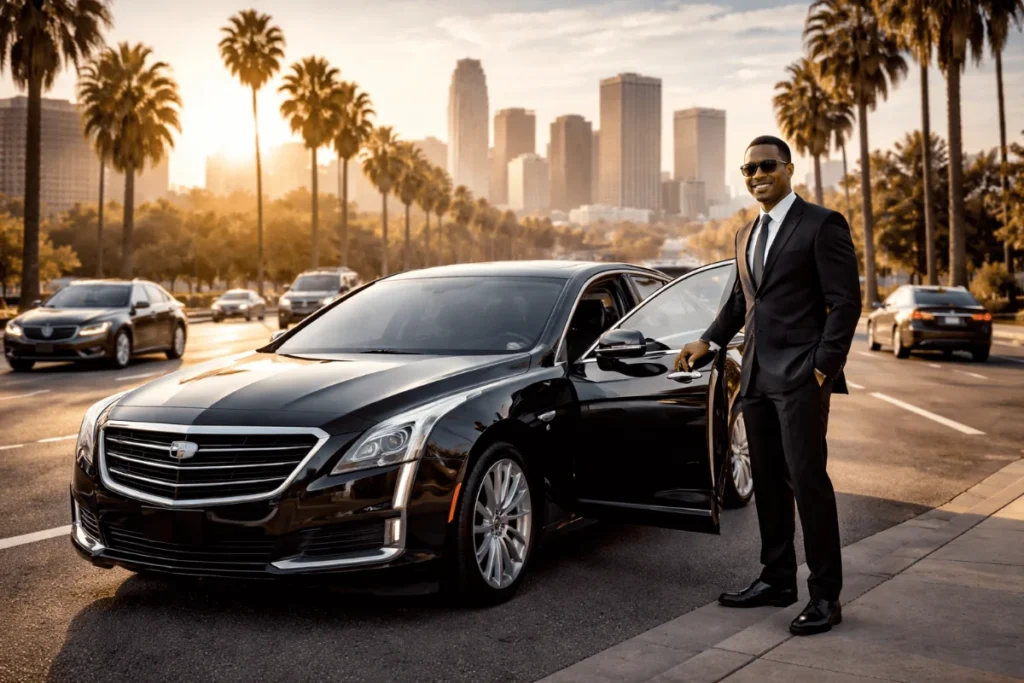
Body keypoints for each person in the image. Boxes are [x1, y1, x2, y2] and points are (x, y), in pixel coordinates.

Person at [675, 135, 861, 636]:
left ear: (788, 168)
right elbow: (740, 304)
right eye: (748, 169)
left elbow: (845, 303)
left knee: (808, 483)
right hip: (755, 376)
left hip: (801, 378)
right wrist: (707, 342)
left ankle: (826, 596)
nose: (756, 174)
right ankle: (778, 578)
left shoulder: (822, 224)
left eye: (766, 165)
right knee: (770, 488)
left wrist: (822, 367)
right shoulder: (744, 234)